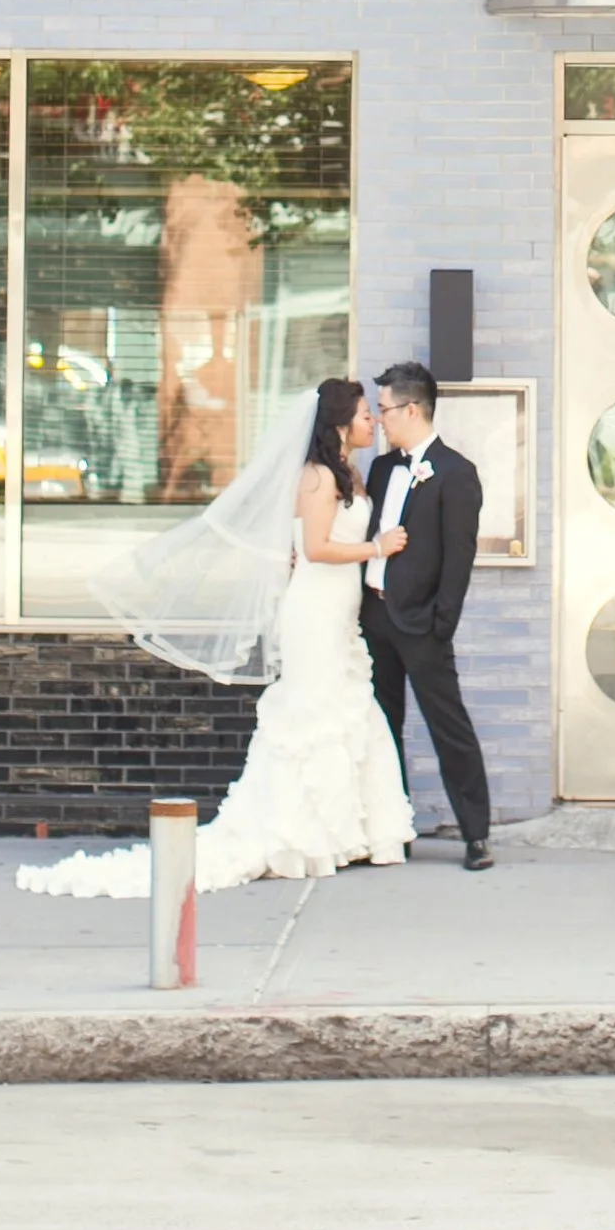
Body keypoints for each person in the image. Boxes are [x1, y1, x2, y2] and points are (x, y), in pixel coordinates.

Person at [95, 375, 415, 890]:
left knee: (346, 707)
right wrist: (378, 548)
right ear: (338, 422)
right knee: (314, 712)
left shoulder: (348, 473)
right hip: (313, 609)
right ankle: (302, 837)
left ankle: (344, 833)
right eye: (363, 415)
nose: (372, 422)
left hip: (338, 611)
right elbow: (317, 548)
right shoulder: (317, 478)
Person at [362, 359, 493, 870]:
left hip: (423, 626)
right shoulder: (381, 468)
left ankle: (476, 834)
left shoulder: (457, 474)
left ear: (412, 409)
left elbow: (459, 558)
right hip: (374, 619)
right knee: (382, 726)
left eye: (386, 409)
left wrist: (442, 625)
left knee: (448, 725)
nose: (379, 419)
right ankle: (394, 827)